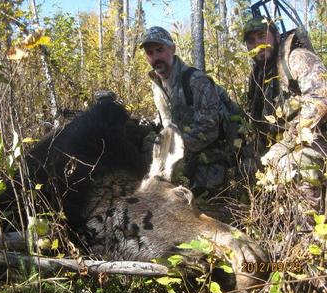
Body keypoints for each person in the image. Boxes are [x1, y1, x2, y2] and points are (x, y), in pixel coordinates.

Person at [242, 16, 327, 211]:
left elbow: (320, 99)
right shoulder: (257, 74)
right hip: (281, 144)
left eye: (262, 36)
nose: (258, 44)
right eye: (251, 41)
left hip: (315, 139)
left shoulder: (296, 58)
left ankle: (310, 233)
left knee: (294, 166)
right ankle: (271, 219)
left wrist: (286, 144)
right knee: (247, 165)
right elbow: (255, 118)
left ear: (276, 36)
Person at [140, 26, 230, 195]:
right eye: (150, 53)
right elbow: (167, 118)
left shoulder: (196, 80)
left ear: (172, 49)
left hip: (208, 161)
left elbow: (210, 129)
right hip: (180, 159)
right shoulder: (157, 84)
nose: (155, 57)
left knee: (205, 206)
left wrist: (171, 147)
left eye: (160, 50)